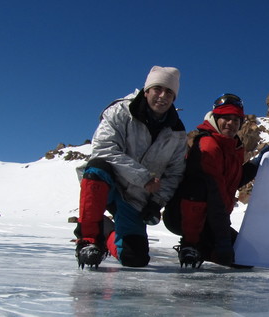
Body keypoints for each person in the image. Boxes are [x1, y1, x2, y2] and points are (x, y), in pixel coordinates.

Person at [74, 66, 187, 269]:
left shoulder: (177, 132)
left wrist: (156, 203)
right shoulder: (120, 111)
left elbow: (174, 173)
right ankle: (88, 240)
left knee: (135, 259)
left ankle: (106, 232)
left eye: (169, 92)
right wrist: (143, 177)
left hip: (135, 199)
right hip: (107, 185)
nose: (162, 96)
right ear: (146, 91)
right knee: (97, 167)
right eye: (157, 89)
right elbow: (103, 150)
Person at [163, 93, 268, 268]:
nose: (231, 124)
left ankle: (203, 248)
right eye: (226, 118)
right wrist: (222, 241)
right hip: (185, 216)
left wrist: (255, 165)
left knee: (246, 257)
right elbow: (214, 196)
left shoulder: (232, 146)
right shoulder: (208, 146)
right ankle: (191, 245)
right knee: (233, 255)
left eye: (236, 120)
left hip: (210, 218)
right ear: (216, 118)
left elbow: (232, 181)